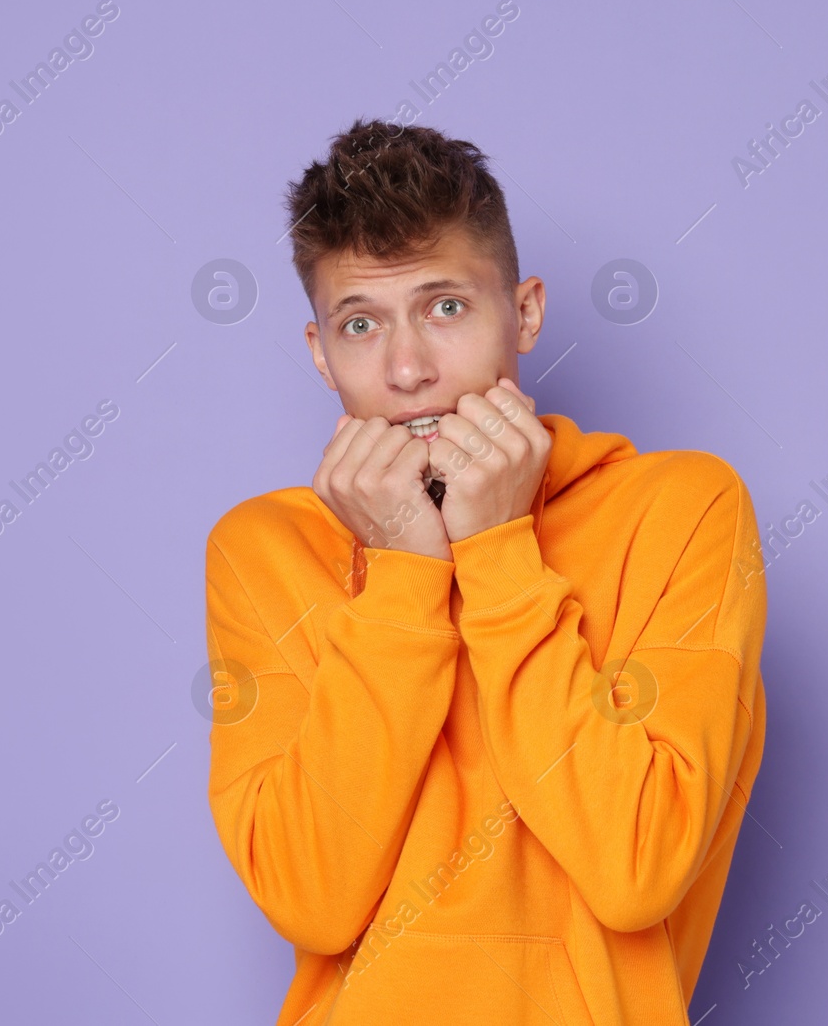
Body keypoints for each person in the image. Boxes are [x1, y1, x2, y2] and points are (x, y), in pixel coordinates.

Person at [203, 119, 767, 1025]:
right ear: (320, 353)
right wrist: (402, 572)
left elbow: (636, 870)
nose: (409, 369)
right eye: (361, 324)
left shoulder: (682, 508)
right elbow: (312, 899)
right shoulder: (264, 548)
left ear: (527, 312)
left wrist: (498, 552)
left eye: (446, 307)